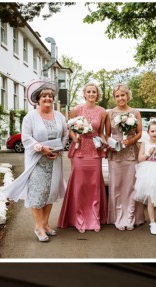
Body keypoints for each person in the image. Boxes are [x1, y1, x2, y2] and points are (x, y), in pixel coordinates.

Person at [0, 80, 69, 243]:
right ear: (38, 99)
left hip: (54, 159)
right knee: (37, 192)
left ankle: (45, 224)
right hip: (37, 160)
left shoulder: (59, 116)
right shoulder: (30, 117)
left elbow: (65, 134)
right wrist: (40, 148)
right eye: (44, 96)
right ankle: (38, 226)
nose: (47, 98)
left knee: (50, 192)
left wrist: (59, 149)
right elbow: (26, 137)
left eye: (50, 96)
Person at [57, 82, 108, 233]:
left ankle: (94, 218)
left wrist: (104, 141)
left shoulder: (102, 111)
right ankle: (78, 218)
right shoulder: (76, 109)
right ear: (84, 93)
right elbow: (69, 128)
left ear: (97, 95)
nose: (92, 94)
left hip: (94, 151)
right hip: (79, 150)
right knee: (79, 185)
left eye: (94, 92)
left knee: (94, 185)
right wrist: (75, 138)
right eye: (89, 92)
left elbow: (102, 132)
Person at [104, 83, 144, 231]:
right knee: (117, 185)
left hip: (131, 152)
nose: (121, 98)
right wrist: (110, 144)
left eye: (123, 95)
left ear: (128, 96)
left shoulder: (135, 112)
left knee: (131, 185)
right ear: (114, 98)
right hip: (115, 153)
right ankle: (118, 217)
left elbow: (139, 132)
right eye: (117, 95)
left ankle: (132, 217)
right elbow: (107, 134)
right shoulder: (110, 113)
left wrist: (131, 140)